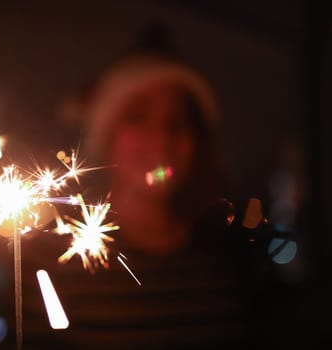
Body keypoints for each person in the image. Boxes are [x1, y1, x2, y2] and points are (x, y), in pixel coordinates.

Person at [19, 23, 253, 349]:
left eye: (178, 121)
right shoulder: (51, 265)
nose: (162, 137)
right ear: (107, 137)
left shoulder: (233, 257)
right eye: (138, 117)